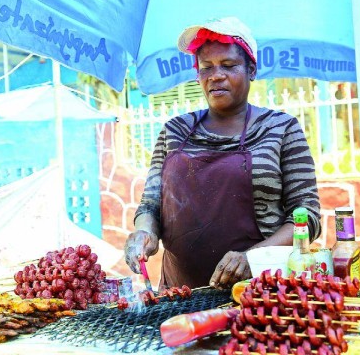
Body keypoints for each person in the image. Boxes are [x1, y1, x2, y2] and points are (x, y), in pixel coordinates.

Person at [124, 17, 321, 290]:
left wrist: (253, 258)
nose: (216, 75)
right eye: (206, 68)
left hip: (260, 296)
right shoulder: (174, 131)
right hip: (180, 296)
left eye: (228, 66)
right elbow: (150, 206)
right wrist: (145, 232)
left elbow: (307, 217)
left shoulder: (281, 129)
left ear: (251, 69)